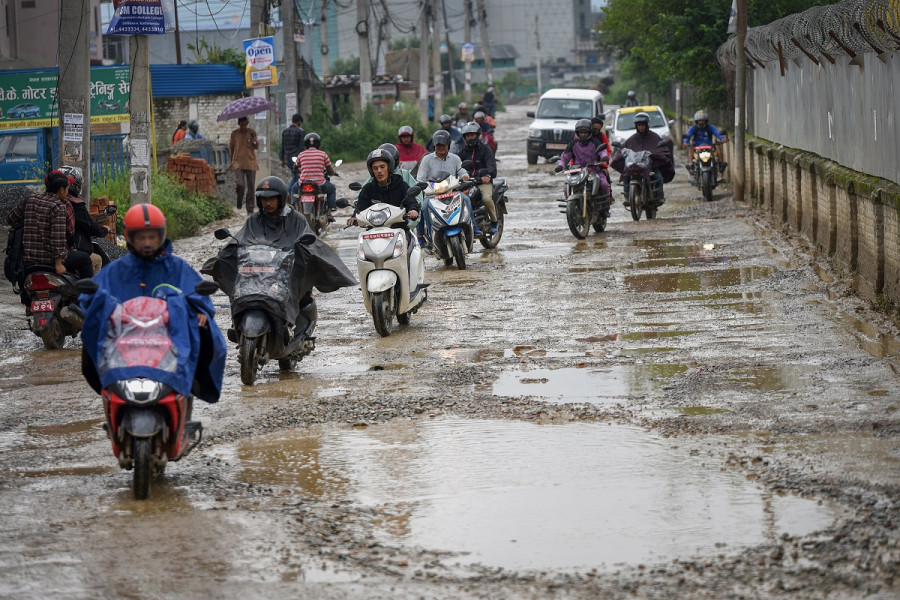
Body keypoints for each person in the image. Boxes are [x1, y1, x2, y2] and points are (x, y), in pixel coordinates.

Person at [79, 203, 227, 405]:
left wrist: (200, 310)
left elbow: (195, 292)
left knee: (209, 336)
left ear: (162, 236)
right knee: (89, 339)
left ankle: (193, 385)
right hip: (124, 344)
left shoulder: (177, 267)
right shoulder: (116, 270)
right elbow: (95, 296)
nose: (147, 243)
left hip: (168, 342)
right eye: (141, 237)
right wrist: (93, 306)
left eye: (152, 237)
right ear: (130, 237)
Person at [6, 171, 89, 307]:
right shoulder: (58, 206)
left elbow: (10, 219)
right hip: (49, 260)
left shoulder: (28, 200)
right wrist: (58, 263)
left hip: (27, 260)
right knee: (85, 260)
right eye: (67, 189)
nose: (68, 193)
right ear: (61, 190)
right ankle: (86, 303)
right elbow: (58, 237)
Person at [349, 149, 420, 241]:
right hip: (374, 232)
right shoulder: (368, 189)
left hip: (399, 230)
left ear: (389, 167)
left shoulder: (402, 185)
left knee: (405, 245)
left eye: (382, 167)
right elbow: (360, 207)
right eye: (375, 168)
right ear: (371, 171)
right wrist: (354, 217)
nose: (379, 171)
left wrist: (413, 210)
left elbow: (411, 202)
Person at [418, 129, 476, 235]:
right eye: (438, 145)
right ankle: (423, 234)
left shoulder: (455, 158)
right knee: (423, 206)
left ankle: (473, 228)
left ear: (448, 145)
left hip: (451, 192)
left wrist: (464, 176)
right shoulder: (426, 160)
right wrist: (421, 185)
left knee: (466, 199)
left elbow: (461, 170)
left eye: (443, 145)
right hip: (432, 194)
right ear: (434, 145)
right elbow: (421, 178)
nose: (440, 147)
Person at [610, 112, 674, 208]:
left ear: (646, 125)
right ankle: (627, 197)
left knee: (658, 177)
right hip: (635, 166)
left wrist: (654, 155)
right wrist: (620, 153)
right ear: (636, 126)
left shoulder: (654, 137)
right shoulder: (632, 139)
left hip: (650, 166)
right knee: (626, 176)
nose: (641, 127)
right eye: (639, 125)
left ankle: (659, 197)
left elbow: (661, 149)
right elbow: (625, 148)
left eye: (643, 125)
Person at [58, 165, 111, 275]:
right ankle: (88, 291)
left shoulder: (40, 201)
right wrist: (103, 230)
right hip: (62, 253)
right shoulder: (71, 204)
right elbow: (89, 226)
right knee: (93, 259)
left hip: (37, 255)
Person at [455, 122, 498, 232]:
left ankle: (494, 222)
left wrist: (487, 175)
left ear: (477, 135)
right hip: (466, 182)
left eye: (472, 135)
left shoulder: (486, 149)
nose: (469, 137)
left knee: (486, 199)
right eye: (467, 135)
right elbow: (455, 166)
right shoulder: (461, 152)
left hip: (483, 182)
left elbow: (491, 166)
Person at [555, 118, 611, 202]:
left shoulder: (595, 142)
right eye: (581, 132)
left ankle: (606, 205)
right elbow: (565, 157)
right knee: (566, 189)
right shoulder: (573, 143)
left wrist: (604, 158)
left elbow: (603, 151)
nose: (583, 134)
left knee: (604, 184)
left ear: (589, 132)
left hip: (594, 170)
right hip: (577, 171)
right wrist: (560, 165)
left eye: (585, 132)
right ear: (578, 132)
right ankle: (569, 205)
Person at [292, 132, 337, 221]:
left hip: (303, 183)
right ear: (318, 144)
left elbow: (295, 167)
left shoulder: (301, 154)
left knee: (293, 189)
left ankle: (296, 210)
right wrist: (332, 172)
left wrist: (300, 172)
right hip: (319, 184)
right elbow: (330, 170)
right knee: (332, 189)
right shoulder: (323, 154)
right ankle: (328, 213)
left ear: (305, 144)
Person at [228, 116, 259, 215]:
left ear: (247, 123)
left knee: (251, 186)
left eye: (245, 125)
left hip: (250, 163)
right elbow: (231, 148)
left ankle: (250, 208)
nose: (243, 127)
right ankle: (239, 199)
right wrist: (230, 162)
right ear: (239, 124)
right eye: (242, 125)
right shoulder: (234, 134)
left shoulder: (252, 132)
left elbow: (256, 146)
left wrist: (254, 138)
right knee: (240, 184)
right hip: (238, 163)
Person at [682, 109, 727, 178]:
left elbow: (717, 133)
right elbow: (688, 135)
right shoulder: (693, 128)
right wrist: (685, 142)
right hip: (697, 148)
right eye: (699, 120)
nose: (701, 122)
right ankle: (691, 166)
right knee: (691, 147)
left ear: (706, 121)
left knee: (717, 145)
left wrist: (722, 139)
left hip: (709, 147)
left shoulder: (710, 127)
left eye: (703, 120)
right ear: (696, 121)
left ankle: (720, 164)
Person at [280, 113, 306, 191]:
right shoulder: (300, 131)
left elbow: (282, 146)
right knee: (297, 177)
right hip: (296, 159)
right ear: (299, 122)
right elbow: (301, 147)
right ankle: (290, 192)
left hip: (288, 158)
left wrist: (282, 160)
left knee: (295, 176)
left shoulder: (285, 131)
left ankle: (292, 194)